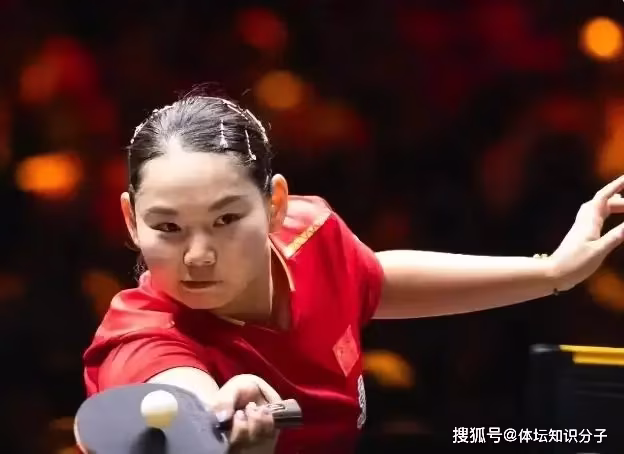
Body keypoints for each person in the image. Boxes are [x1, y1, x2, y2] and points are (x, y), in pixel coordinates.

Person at [82, 92, 624, 454]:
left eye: (226, 220)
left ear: (274, 205)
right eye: (168, 227)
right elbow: (176, 391)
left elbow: (370, 279)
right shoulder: (140, 337)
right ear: (131, 220)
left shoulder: (312, 232)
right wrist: (212, 418)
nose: (198, 255)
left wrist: (553, 272)